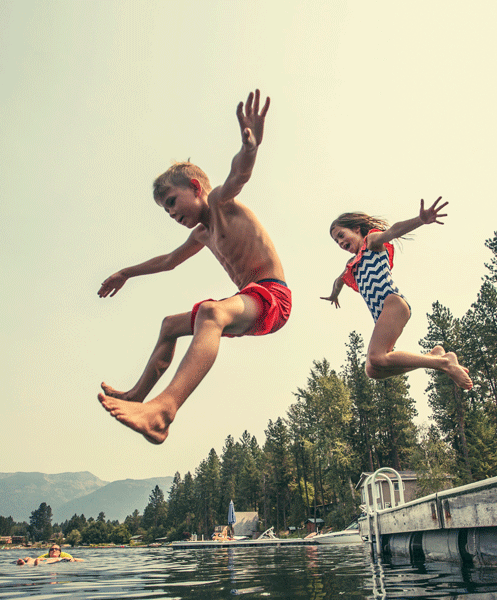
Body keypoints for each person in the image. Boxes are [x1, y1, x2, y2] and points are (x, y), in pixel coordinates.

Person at [97, 90, 291, 445]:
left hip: (272, 297)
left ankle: (163, 412)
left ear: (196, 187)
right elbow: (169, 261)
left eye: (173, 202)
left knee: (210, 313)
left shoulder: (220, 203)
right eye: (166, 212)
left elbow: (239, 175)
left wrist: (251, 148)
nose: (172, 214)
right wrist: (126, 272)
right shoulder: (202, 233)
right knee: (170, 326)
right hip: (248, 299)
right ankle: (138, 396)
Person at [321, 199, 473, 390]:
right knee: (373, 369)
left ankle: (445, 363)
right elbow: (339, 280)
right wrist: (334, 294)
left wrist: (420, 220)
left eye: (342, 235)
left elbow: (393, 231)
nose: (341, 242)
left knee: (376, 356)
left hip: (392, 302)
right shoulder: (352, 264)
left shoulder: (371, 242)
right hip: (382, 313)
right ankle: (433, 358)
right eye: (337, 241)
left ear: (357, 229)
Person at [15, 544, 84, 565]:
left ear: (59, 552)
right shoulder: (45, 556)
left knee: (55, 559)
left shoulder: (62, 556)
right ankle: (24, 564)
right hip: (43, 560)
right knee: (31, 558)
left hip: (52, 561)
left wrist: (72, 559)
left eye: (56, 549)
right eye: (51, 549)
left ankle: (36, 564)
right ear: (49, 552)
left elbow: (81, 560)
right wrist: (26, 559)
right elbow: (35, 558)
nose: (53, 550)